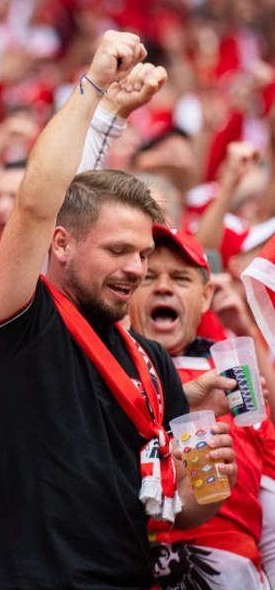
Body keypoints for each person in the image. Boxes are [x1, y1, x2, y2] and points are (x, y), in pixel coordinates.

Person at [0, 31, 237, 589]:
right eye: (119, 251)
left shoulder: (151, 362)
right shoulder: (20, 316)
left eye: (142, 253)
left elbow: (173, 513)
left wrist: (209, 481)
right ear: (61, 244)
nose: (138, 270)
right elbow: (38, 200)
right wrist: (96, 93)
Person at [130, 226, 275, 588]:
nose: (163, 287)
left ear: (206, 296)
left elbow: (270, 511)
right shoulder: (99, 371)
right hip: (124, 563)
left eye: (180, 278)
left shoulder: (236, 380)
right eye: (148, 276)